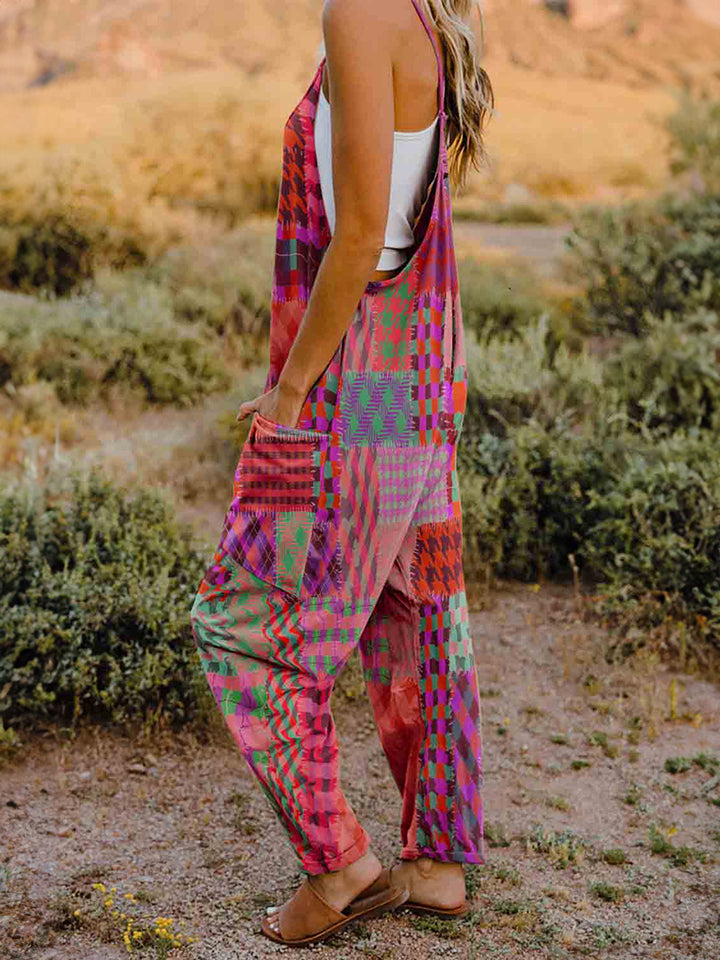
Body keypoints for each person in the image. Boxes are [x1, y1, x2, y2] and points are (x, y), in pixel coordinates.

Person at [190, 0, 494, 947]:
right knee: (415, 616)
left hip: (362, 380)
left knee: (243, 629)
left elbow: (362, 234)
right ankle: (438, 861)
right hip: (413, 376)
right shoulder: (420, 13)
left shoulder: (361, 9)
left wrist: (289, 395)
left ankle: (340, 865)